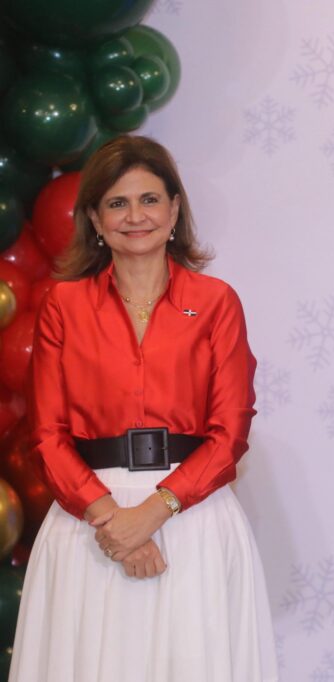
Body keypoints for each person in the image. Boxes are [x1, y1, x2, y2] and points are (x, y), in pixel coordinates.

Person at [10, 135, 278, 681]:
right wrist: (112, 521)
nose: (136, 216)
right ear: (95, 218)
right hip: (90, 528)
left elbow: (229, 435)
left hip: (192, 522)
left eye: (150, 200)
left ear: (175, 209)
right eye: (117, 203)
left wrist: (151, 515)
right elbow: (47, 434)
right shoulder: (63, 305)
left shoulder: (216, 302)